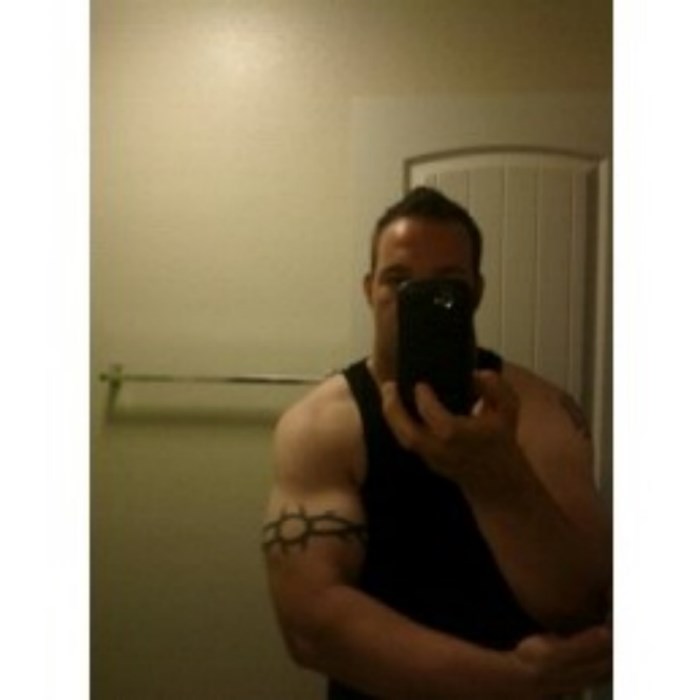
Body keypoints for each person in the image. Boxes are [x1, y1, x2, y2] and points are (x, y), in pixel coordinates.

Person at [262, 187, 612, 699]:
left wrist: (496, 478)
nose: (418, 298)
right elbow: (311, 627)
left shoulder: (541, 412)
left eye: (447, 284)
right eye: (398, 280)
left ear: (476, 292)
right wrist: (512, 681)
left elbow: (582, 606)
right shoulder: (322, 425)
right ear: (369, 289)